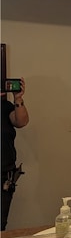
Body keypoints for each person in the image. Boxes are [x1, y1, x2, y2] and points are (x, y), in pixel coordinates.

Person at [2, 78, 29, 230]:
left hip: (3, 177)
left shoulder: (5, 106)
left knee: (0, 224)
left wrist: (18, 98)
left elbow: (21, 121)